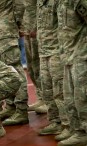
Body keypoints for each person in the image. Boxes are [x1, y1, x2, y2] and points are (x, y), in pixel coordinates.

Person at [0, 0, 29, 126]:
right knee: (2, 73)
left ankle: (21, 110)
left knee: (15, 70)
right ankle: (10, 107)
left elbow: (20, 5)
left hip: (6, 32)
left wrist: (19, 26)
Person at [56, 1, 87, 145]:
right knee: (70, 98)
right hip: (67, 56)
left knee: (82, 98)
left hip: (81, 55)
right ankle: (79, 132)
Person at [36, 0, 68, 137]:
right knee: (47, 88)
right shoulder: (40, 1)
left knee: (59, 90)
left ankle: (67, 124)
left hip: (56, 50)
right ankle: (55, 121)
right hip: (43, 50)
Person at [22, 0, 47, 114]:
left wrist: (37, 27)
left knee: (40, 68)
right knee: (31, 68)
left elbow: (43, 10)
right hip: (27, 31)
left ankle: (47, 100)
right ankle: (40, 98)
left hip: (36, 32)